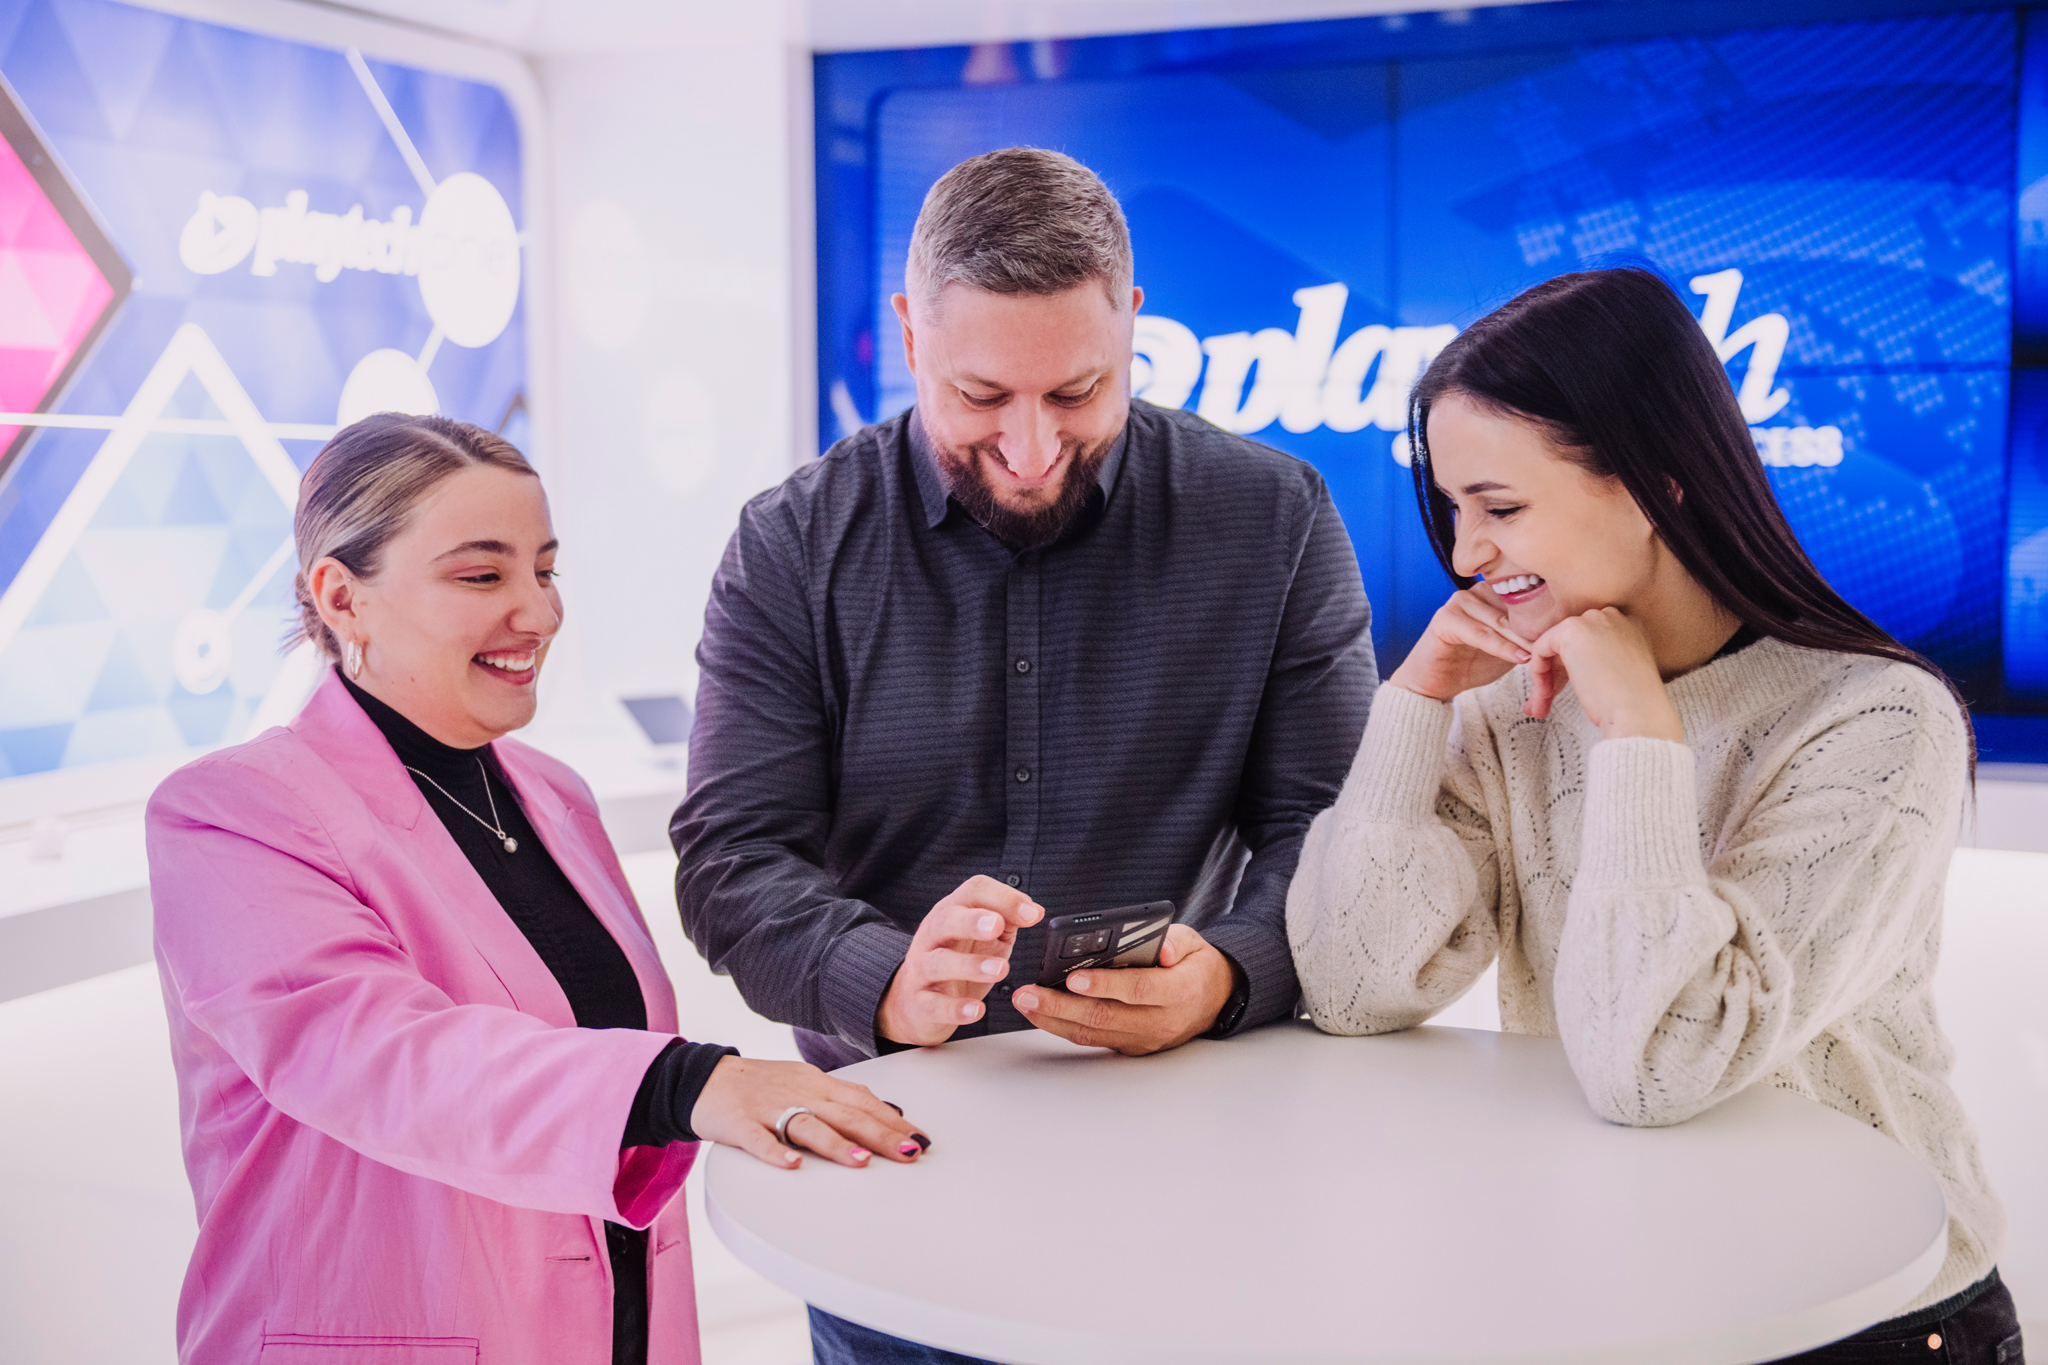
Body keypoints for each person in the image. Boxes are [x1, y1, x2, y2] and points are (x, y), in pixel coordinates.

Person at [673, 147, 1376, 1362]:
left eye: (1077, 392)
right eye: (982, 396)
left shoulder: (1274, 518)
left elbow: (1334, 830)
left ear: (1131, 323)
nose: (1034, 446)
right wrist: (878, 978)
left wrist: (1228, 974)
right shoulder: (791, 545)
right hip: (889, 1158)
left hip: (1193, 1144)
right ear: (909, 334)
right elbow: (732, 858)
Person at [1285, 268, 2022, 1361]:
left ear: (1653, 485)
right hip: (1629, 1300)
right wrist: (1413, 702)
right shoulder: (1509, 706)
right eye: (1451, 510)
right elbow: (1353, 989)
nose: (1466, 554)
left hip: (1869, 1315)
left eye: (1500, 508)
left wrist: (1637, 730)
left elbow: (1659, 1063)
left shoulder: (1878, 719)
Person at [147, 414, 931, 1365]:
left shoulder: (551, 795)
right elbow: (384, 1056)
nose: (540, 613)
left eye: (545, 570)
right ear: (341, 597)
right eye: (483, 576)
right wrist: (689, 1082)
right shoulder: (234, 813)